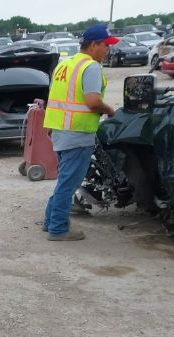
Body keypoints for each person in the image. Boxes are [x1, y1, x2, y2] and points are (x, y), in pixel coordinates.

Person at [42, 24, 118, 241]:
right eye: (106, 45)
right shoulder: (90, 67)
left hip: (60, 130)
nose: (108, 50)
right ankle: (58, 229)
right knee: (69, 184)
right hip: (77, 133)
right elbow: (92, 101)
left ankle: (50, 222)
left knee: (65, 181)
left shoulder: (65, 65)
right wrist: (109, 110)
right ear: (93, 45)